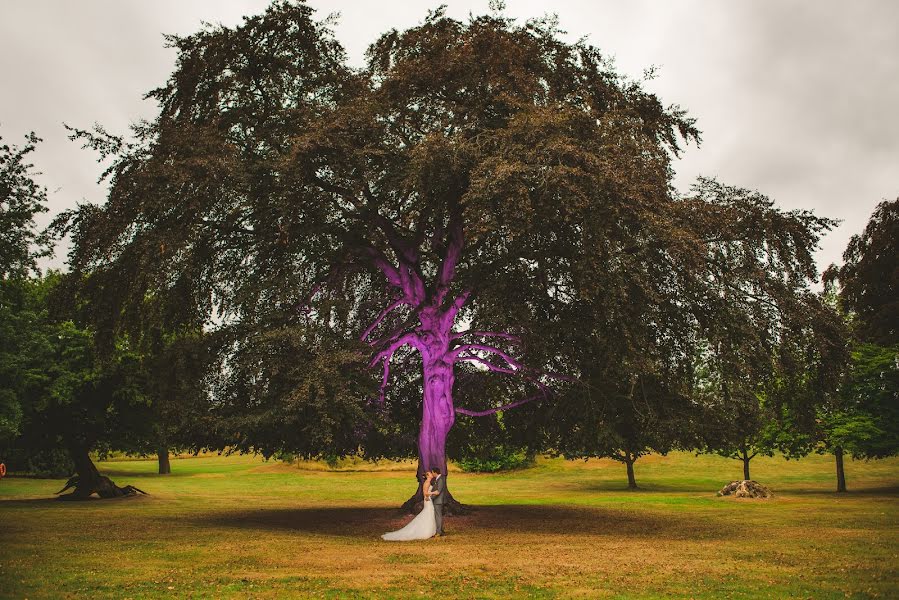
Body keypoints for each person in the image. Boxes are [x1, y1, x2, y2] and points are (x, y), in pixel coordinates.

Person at [381, 470, 438, 541]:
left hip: (428, 500)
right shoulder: (427, 483)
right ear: (427, 476)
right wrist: (434, 492)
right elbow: (425, 493)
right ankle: (426, 531)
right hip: (428, 500)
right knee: (428, 513)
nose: (432, 474)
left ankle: (430, 530)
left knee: (429, 514)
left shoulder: (429, 482)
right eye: (430, 474)